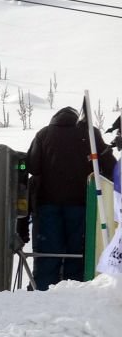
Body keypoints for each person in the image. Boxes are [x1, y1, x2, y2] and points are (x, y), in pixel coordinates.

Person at [22, 106, 117, 289]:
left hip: (47, 205)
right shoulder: (89, 133)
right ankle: (72, 291)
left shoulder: (44, 134)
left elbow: (32, 166)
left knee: (48, 253)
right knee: (78, 252)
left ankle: (42, 291)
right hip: (82, 205)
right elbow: (108, 164)